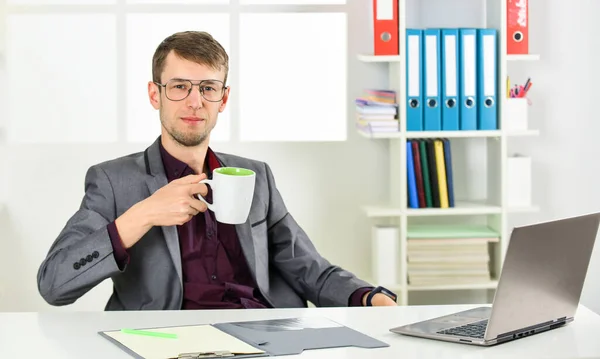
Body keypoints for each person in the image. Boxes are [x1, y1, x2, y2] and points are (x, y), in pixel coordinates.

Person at [37, 31, 397, 310]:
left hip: (266, 330)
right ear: (154, 94)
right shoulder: (113, 182)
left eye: (207, 88)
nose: (195, 102)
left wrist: (368, 297)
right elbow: (53, 285)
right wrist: (142, 216)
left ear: (223, 99)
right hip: (168, 340)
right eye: (179, 87)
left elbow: (309, 268)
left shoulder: (257, 176)